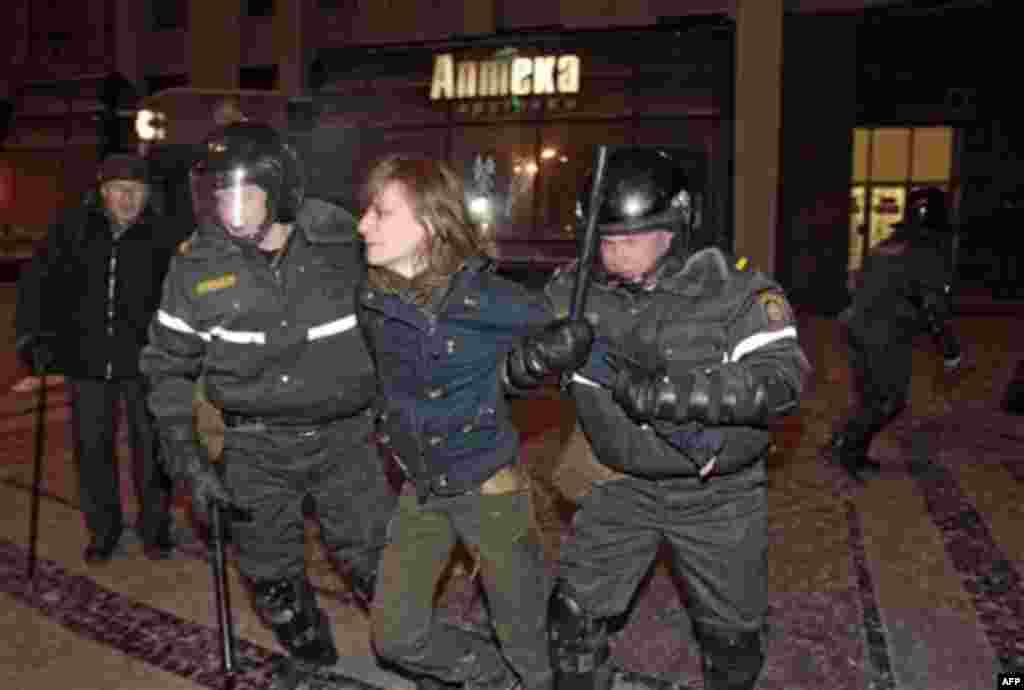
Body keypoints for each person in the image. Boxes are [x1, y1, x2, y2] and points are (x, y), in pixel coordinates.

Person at [139, 121, 396, 689]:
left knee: (378, 564)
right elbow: (167, 364)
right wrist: (185, 454)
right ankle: (308, 645)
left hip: (345, 439)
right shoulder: (196, 266)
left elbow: (407, 301)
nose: (228, 208)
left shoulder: (344, 243)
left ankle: (409, 646)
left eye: (243, 193)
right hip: (255, 447)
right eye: (218, 193)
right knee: (271, 580)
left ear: (278, 189)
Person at [544, 147, 810, 690]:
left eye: (630, 240)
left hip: (717, 494)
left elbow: (782, 378)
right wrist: (529, 360)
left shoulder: (736, 293)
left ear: (676, 228)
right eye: (605, 240)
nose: (614, 255)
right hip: (619, 483)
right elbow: (493, 349)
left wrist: (676, 394)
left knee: (731, 643)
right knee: (571, 620)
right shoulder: (576, 292)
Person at [356, 154, 591, 690]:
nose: (362, 225)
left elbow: (577, 356)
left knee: (530, 644)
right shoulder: (372, 298)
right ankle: (491, 679)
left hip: (491, 493)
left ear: (430, 225)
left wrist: (563, 353)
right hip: (422, 490)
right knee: (395, 637)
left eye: (380, 212)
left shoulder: (492, 300)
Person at [14, 154, 180, 564]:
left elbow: (183, 296)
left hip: (146, 362)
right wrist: (34, 338)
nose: (127, 198)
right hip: (86, 359)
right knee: (92, 450)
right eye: (119, 189)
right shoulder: (71, 230)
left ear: (147, 195)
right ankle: (103, 531)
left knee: (153, 450)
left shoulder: (164, 235)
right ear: (102, 193)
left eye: (136, 190)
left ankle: (155, 529)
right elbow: (39, 285)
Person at [827, 186, 963, 482]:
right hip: (884, 332)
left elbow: (858, 284)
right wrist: (950, 350)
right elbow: (933, 307)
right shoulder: (927, 252)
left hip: (856, 325)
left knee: (869, 396)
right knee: (889, 399)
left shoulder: (887, 244)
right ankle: (849, 451)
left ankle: (845, 444)